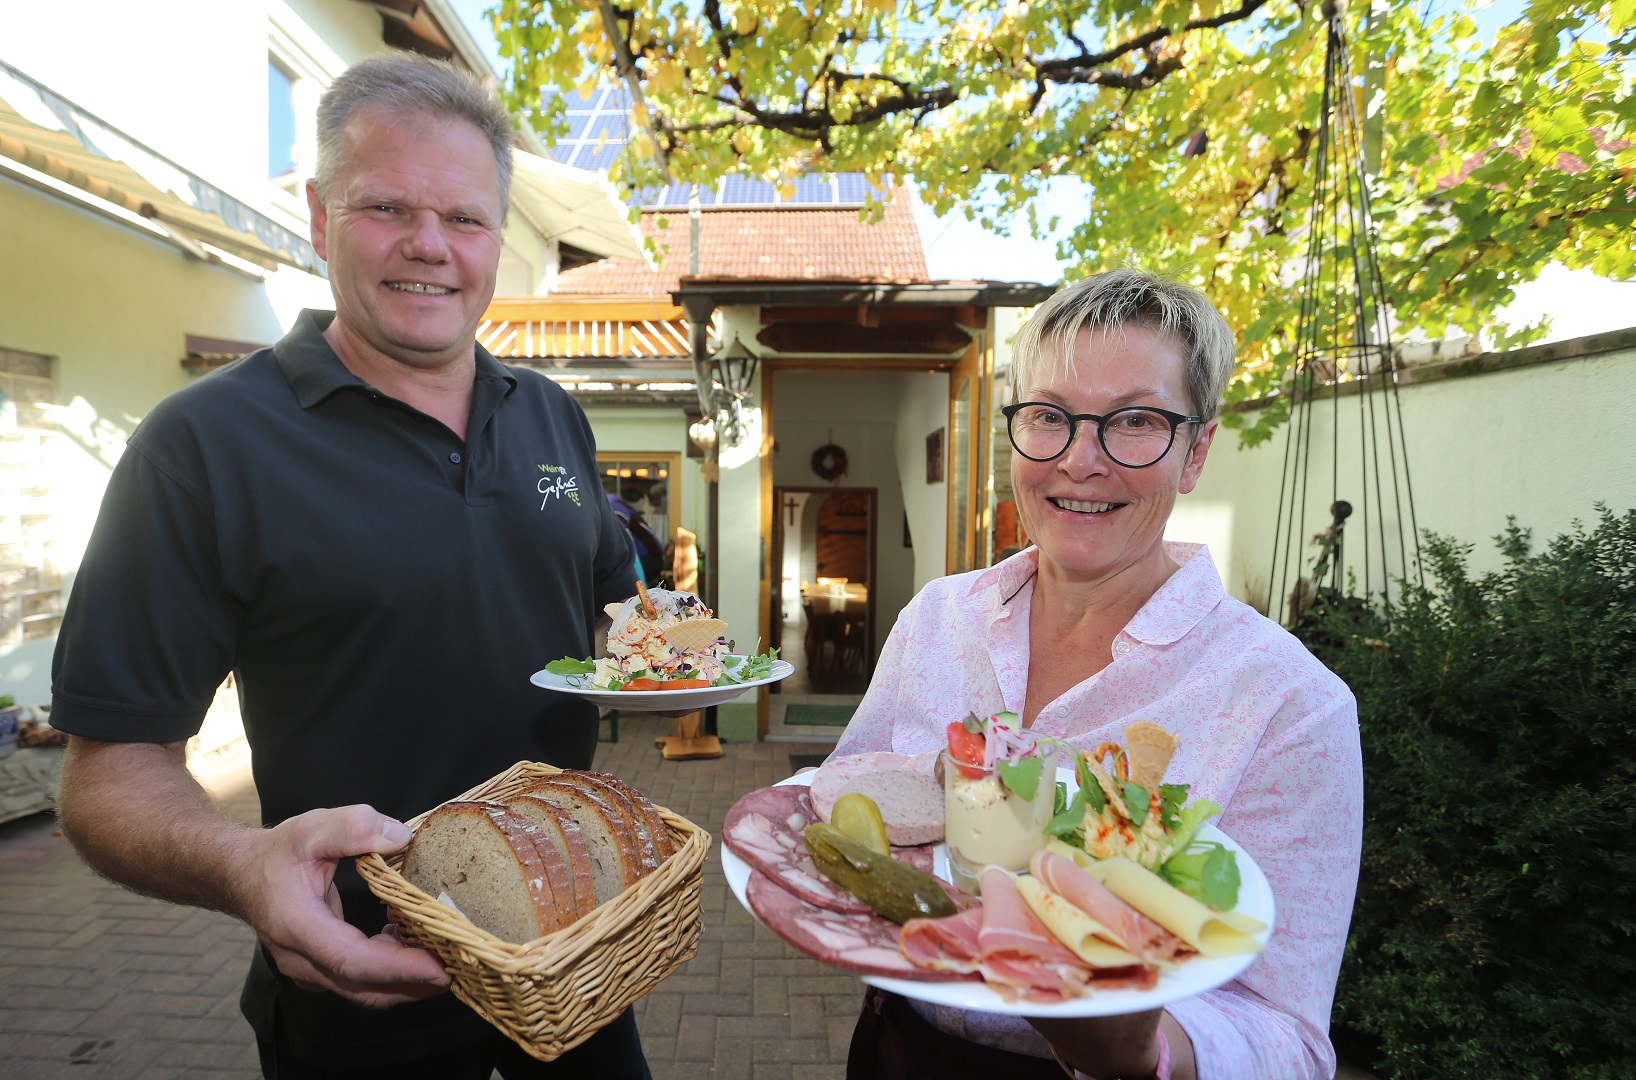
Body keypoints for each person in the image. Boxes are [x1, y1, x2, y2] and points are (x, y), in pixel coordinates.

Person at [50, 55, 650, 1078]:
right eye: (387, 208)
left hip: (570, 957)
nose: (429, 245)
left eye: (464, 219)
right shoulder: (204, 446)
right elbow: (106, 773)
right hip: (358, 977)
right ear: (323, 219)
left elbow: (614, 620)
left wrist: (669, 660)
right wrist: (242, 865)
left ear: (496, 238)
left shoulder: (551, 415)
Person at [831, 269, 1362, 1080]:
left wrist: (1139, 1053)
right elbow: (850, 805)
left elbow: (1290, 1038)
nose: (1081, 460)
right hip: (898, 1049)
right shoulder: (935, 620)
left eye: (1138, 421)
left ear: (1197, 451)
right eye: (1049, 416)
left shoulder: (1291, 704)